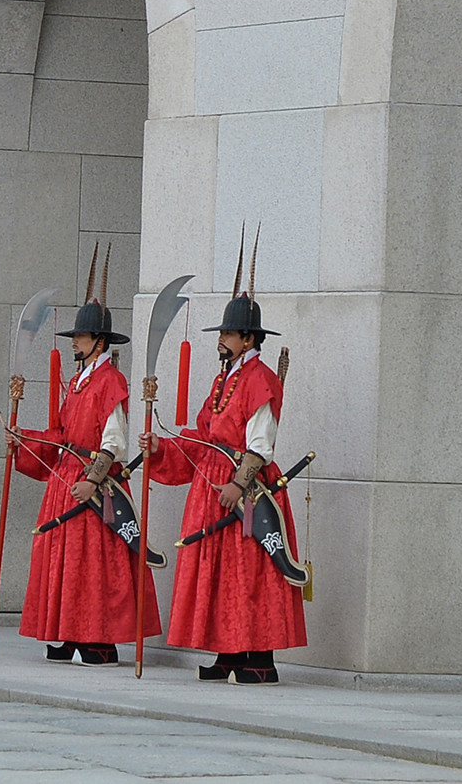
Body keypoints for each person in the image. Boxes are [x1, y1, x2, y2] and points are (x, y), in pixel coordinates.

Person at [140, 229, 306, 684]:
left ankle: (259, 658)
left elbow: (260, 443)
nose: (223, 339)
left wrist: (238, 483)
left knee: (250, 572)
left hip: (245, 489)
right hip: (213, 484)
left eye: (229, 333)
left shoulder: (261, 380)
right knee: (220, 571)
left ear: (248, 339)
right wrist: (161, 448)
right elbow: (204, 436)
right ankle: (228, 651)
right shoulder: (222, 380)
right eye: (223, 332)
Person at [10, 244, 161, 665]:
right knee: (64, 559)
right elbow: (62, 435)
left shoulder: (110, 381)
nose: (74, 342)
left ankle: (98, 639)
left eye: (80, 336)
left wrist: (92, 480)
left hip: (92, 485)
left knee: (93, 563)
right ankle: (68, 632)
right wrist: (23, 439)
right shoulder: (78, 382)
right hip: (65, 480)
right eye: (75, 336)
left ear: (99, 342)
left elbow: (114, 441)